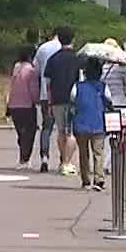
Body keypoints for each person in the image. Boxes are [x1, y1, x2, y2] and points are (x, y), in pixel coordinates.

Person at [42, 28, 82, 176]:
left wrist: (50, 102)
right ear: (73, 39)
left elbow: (48, 82)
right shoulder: (79, 58)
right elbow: (81, 79)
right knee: (71, 132)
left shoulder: (53, 59)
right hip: (73, 99)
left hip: (57, 99)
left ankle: (63, 161)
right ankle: (67, 162)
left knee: (60, 131)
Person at [31, 27, 70, 174]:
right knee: (65, 129)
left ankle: (44, 158)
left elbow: (36, 70)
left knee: (46, 127)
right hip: (64, 94)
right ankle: (64, 159)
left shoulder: (43, 48)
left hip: (45, 95)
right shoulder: (66, 50)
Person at [71, 57, 113, 191]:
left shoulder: (77, 86)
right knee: (98, 152)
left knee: (83, 153)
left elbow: (72, 100)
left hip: (81, 123)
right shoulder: (103, 87)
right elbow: (109, 101)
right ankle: (99, 178)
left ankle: (85, 179)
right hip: (98, 123)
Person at [6, 47, 41, 170]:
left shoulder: (16, 68)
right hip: (27, 105)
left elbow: (11, 87)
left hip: (14, 104)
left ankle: (22, 157)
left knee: (21, 133)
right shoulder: (31, 71)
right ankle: (25, 159)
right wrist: (37, 101)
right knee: (29, 132)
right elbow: (33, 89)